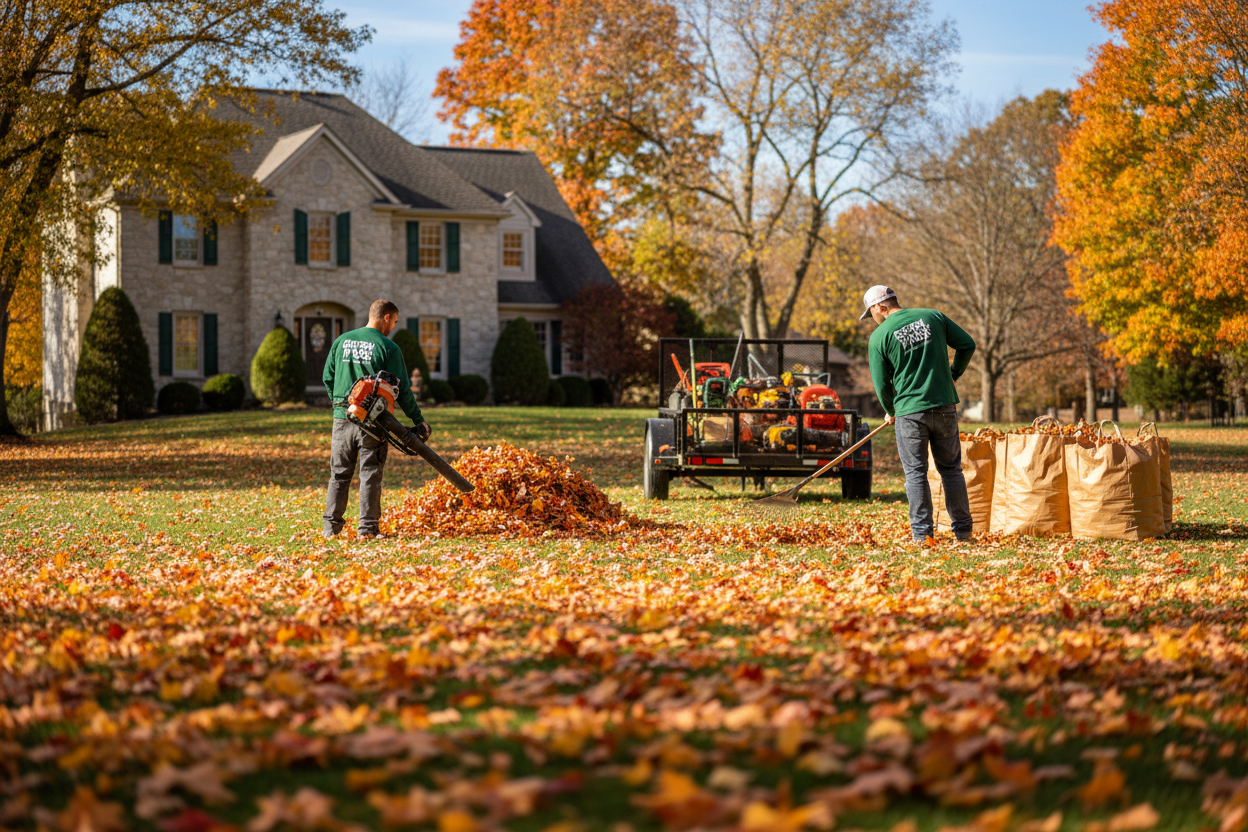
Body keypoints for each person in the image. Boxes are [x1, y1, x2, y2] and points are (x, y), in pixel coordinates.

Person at [861, 285, 977, 546]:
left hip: (910, 413)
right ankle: (963, 533)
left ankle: (923, 536)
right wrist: (953, 375)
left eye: (872, 313)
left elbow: (881, 385)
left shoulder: (879, 337)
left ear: (880, 306)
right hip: (945, 405)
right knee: (951, 470)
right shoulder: (933, 316)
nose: (874, 318)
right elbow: (967, 345)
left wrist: (892, 411)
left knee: (915, 474)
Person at [322, 299, 430, 538]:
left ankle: (331, 529)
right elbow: (401, 391)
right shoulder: (388, 347)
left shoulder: (341, 341)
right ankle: (368, 530)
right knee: (370, 473)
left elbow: (327, 377)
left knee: (339, 474)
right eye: (395, 321)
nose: (393, 326)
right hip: (374, 423)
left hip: (342, 419)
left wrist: (340, 406)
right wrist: (418, 420)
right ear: (387, 317)